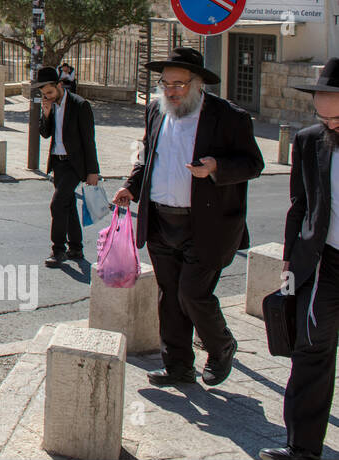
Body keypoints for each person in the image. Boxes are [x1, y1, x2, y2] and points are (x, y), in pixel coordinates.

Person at [113, 47, 264, 387]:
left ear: (198, 84)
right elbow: (146, 158)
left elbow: (254, 164)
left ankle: (221, 346)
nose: (171, 91)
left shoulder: (229, 117)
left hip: (207, 226)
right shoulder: (155, 111)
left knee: (192, 294)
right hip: (161, 222)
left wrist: (216, 168)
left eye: (179, 84)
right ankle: (178, 366)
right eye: (166, 83)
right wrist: (130, 187)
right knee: (169, 296)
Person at [260, 58, 339, 459]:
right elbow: (299, 206)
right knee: (311, 352)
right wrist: (289, 262)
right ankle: (302, 448)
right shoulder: (309, 141)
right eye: (324, 118)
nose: (331, 126)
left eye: (338, 118)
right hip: (324, 263)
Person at [35, 66, 100, 267]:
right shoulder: (50, 105)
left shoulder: (80, 105)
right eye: (44, 94)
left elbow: (89, 140)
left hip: (75, 164)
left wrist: (93, 171)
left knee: (57, 204)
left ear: (60, 85)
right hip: (58, 163)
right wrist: (45, 114)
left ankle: (58, 250)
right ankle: (76, 248)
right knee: (68, 204)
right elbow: (45, 134)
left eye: (50, 93)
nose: (48, 97)